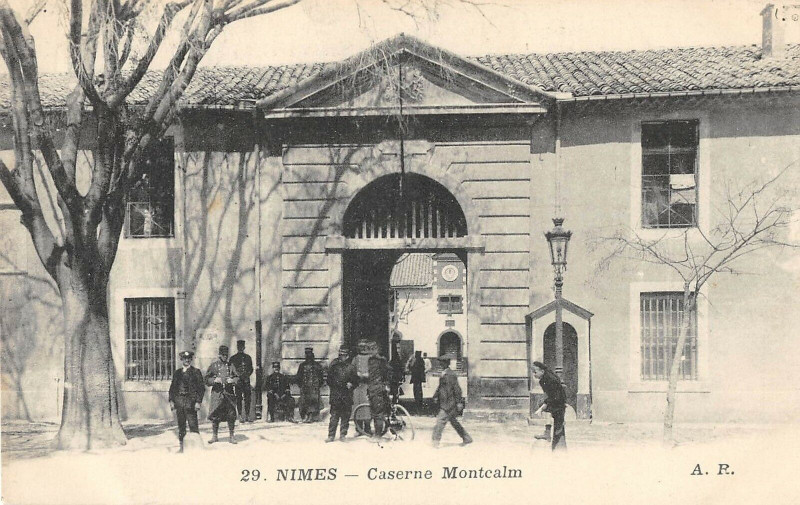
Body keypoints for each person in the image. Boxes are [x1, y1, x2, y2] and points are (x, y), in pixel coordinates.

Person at [431, 357, 472, 447]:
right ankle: (467, 438)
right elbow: (440, 387)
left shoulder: (451, 374)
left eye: (441, 363)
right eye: (440, 362)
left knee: (440, 421)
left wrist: (459, 402)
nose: (440, 364)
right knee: (453, 422)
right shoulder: (444, 373)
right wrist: (435, 396)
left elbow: (457, 389)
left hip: (449, 403)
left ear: (446, 363)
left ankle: (435, 441)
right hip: (445, 402)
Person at [169, 351, 205, 453]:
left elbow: (201, 388)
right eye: (185, 359)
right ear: (182, 360)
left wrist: (198, 402)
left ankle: (196, 448)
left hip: (191, 403)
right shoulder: (177, 373)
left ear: (191, 359)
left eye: (189, 359)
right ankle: (182, 447)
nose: (187, 360)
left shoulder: (196, 372)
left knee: (193, 425)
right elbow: (172, 388)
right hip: (179, 402)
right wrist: (171, 400)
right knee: (181, 426)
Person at [204, 345, 239, 444]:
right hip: (217, 394)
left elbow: (237, 378)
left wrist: (232, 380)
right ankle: (214, 436)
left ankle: (232, 436)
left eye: (226, 355)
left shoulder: (231, 365)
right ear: (219, 355)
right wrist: (214, 380)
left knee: (231, 414)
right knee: (215, 415)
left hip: (229, 394)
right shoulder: (214, 366)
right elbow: (206, 379)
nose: (225, 357)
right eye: (223, 355)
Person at [326, 345, 359, 442]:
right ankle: (331, 436)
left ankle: (343, 435)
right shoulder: (334, 365)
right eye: (340, 355)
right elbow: (328, 380)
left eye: (344, 355)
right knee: (334, 417)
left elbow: (356, 381)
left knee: (345, 417)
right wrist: (336, 384)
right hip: (336, 395)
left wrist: (352, 384)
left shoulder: (351, 367)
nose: (342, 357)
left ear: (348, 356)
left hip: (347, 395)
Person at [531, 361, 567, 451]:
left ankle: (551, 438)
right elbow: (549, 395)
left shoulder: (549, 379)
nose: (534, 375)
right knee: (550, 414)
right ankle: (548, 433)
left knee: (558, 428)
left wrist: (544, 405)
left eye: (535, 372)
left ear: (542, 371)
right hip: (555, 400)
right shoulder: (544, 378)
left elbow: (555, 395)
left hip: (558, 402)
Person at [366, 342, 391, 439]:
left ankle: (378, 435)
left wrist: (386, 385)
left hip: (378, 389)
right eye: (370, 349)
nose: (371, 351)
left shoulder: (381, 360)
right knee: (374, 412)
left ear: (377, 349)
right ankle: (378, 431)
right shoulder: (370, 360)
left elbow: (387, 374)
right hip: (371, 389)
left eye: (373, 349)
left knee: (378, 413)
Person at [295, 347, 324, 422]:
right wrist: (300, 385)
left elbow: (321, 377)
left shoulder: (317, 365)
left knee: (313, 402)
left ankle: (311, 416)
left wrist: (317, 385)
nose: (308, 356)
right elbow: (298, 376)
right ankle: (305, 416)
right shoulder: (302, 365)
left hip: (313, 388)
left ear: (312, 355)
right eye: (307, 354)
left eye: (309, 354)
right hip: (305, 387)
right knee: (303, 402)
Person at [229, 340, 254, 423]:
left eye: (242, 347)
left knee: (247, 398)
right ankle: (239, 415)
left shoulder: (248, 357)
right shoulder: (233, 358)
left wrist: (247, 375)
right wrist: (236, 377)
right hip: (238, 381)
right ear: (237, 347)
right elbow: (231, 369)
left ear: (244, 347)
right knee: (238, 398)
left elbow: (251, 369)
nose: (241, 348)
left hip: (246, 380)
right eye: (239, 347)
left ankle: (247, 415)